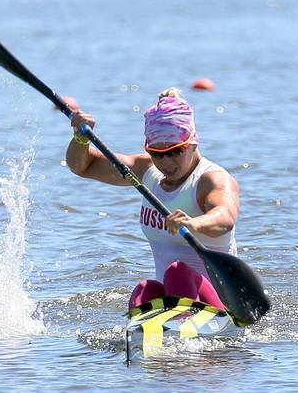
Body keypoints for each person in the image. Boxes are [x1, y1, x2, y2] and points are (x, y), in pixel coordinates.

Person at [66, 88, 239, 310]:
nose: (166, 162)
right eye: (157, 153)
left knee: (177, 272)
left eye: (175, 151)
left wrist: (194, 222)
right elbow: (82, 166)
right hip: (173, 296)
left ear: (192, 143)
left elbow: (225, 217)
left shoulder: (211, 179)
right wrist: (80, 139)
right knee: (145, 290)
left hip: (219, 301)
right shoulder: (146, 171)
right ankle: (145, 334)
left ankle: (183, 327)